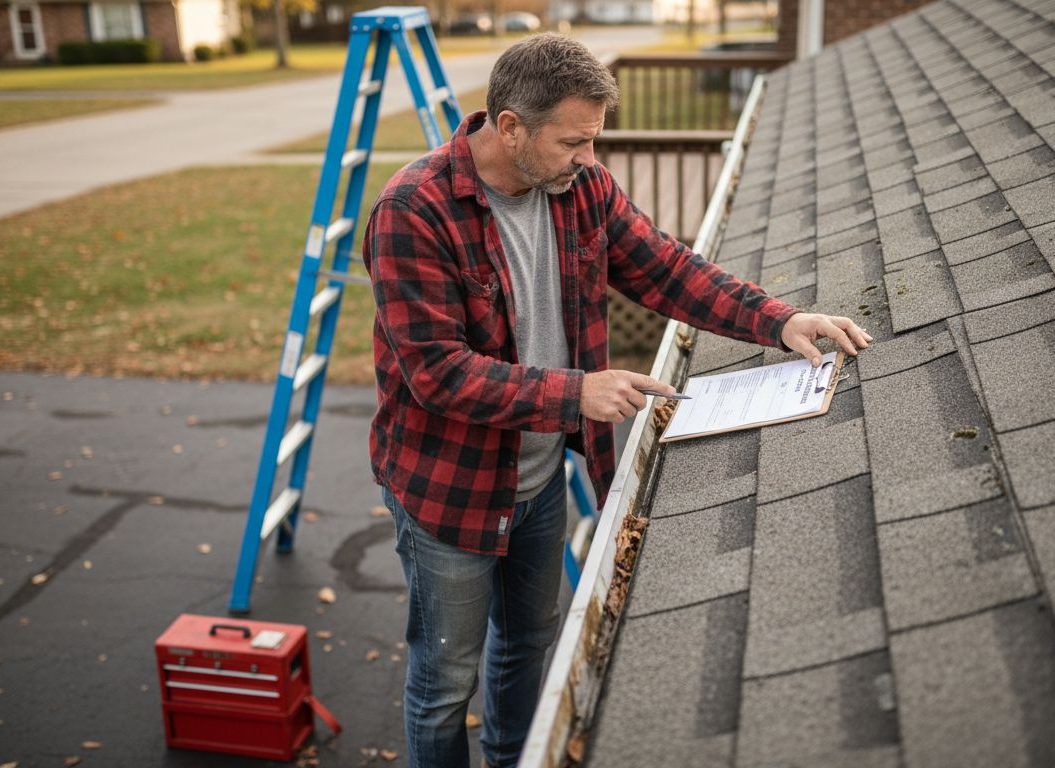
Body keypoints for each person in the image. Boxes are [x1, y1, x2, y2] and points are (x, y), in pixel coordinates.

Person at [362, 33, 872, 768]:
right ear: (510, 128)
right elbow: (437, 374)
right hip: (450, 492)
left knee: (527, 649)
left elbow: (668, 271)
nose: (590, 159)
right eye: (575, 141)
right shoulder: (413, 212)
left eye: (593, 140)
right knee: (445, 682)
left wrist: (780, 319)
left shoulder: (581, 189)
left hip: (536, 487)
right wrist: (577, 393)